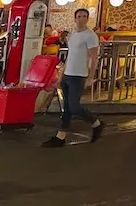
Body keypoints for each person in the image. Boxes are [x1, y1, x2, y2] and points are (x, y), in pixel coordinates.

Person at [42, 8, 104, 147]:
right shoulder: (73, 35)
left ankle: (96, 123)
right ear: (75, 18)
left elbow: (94, 57)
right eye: (79, 16)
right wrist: (61, 75)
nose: (81, 18)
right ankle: (60, 137)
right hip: (68, 74)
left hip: (79, 75)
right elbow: (70, 56)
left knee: (74, 106)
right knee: (68, 108)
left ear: (87, 19)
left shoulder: (91, 35)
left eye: (84, 16)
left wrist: (90, 76)